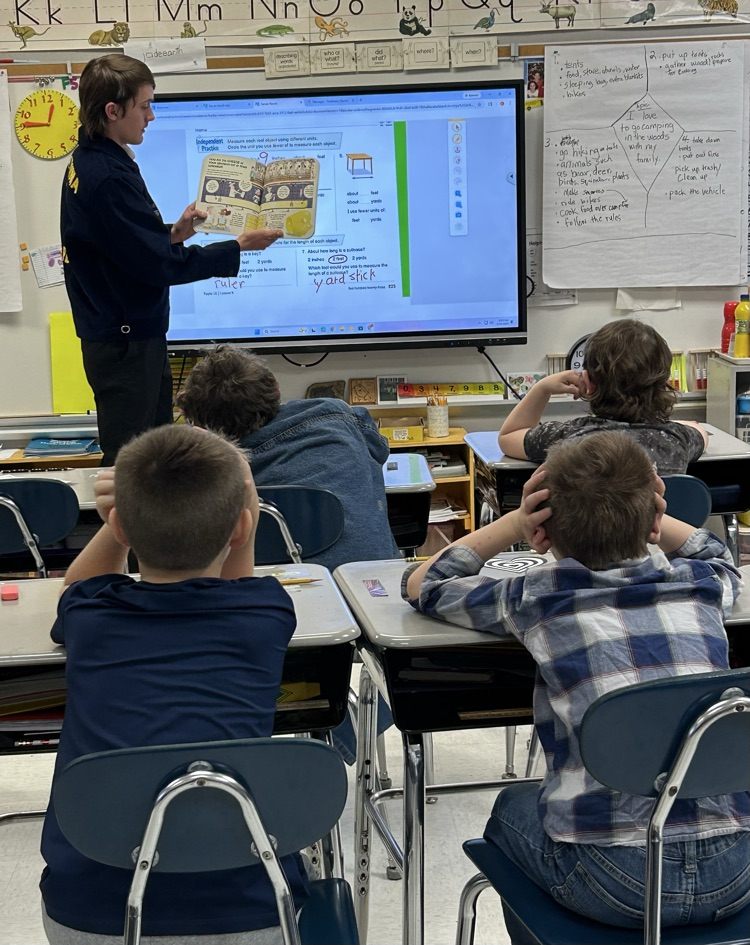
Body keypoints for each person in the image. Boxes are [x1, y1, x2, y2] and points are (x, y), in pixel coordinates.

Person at [403, 431, 749, 942]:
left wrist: (515, 522)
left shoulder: (537, 595)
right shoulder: (700, 583)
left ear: (543, 535)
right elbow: (720, 554)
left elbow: (425, 585)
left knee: (510, 807)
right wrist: (654, 514)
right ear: (656, 521)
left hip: (614, 882)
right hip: (736, 871)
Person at [40, 424, 308, 944]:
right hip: (249, 910)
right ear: (243, 526)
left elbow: (76, 584)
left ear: (119, 527)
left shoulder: (90, 615)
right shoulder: (265, 612)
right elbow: (234, 584)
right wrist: (243, 502)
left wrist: (119, 521)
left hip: (89, 912)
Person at [62, 54, 283, 466]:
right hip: (126, 343)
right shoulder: (107, 177)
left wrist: (173, 233)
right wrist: (238, 246)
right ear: (112, 111)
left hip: (124, 334)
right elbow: (159, 266)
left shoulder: (93, 156)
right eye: (144, 106)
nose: (152, 116)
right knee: (136, 463)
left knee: (153, 454)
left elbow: (122, 245)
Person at [177, 345, 401, 571]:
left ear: (194, 418)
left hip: (275, 584)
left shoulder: (211, 474)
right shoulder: (335, 415)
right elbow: (379, 452)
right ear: (275, 389)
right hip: (374, 580)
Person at [498, 319, 708, 474]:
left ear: (587, 382)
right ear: (664, 383)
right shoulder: (676, 438)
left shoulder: (568, 435)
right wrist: (676, 425)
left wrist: (541, 388)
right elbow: (701, 432)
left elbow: (509, 436)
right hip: (654, 525)